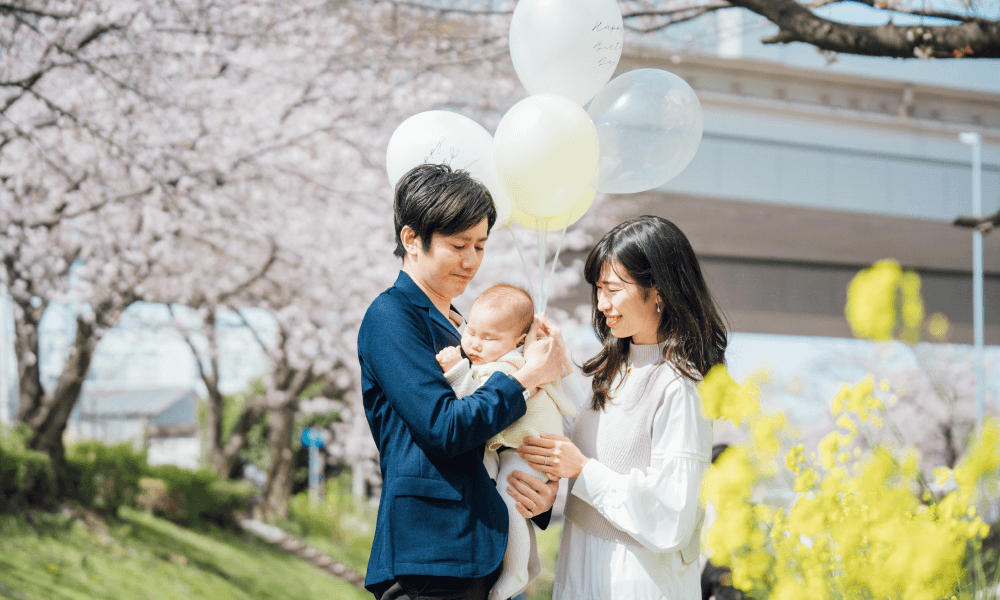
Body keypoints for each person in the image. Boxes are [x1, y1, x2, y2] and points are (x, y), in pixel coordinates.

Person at [357, 163, 569, 600]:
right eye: (458, 245)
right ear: (411, 239)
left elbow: (497, 429)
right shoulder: (391, 317)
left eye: (480, 246)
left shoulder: (463, 327)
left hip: (481, 549)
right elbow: (445, 426)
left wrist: (540, 493)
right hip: (430, 559)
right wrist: (527, 376)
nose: (471, 261)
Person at [518, 215, 729, 599]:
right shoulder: (615, 371)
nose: (601, 304)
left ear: (659, 290)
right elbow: (597, 442)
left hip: (637, 581)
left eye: (613, 289)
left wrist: (582, 470)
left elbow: (672, 514)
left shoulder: (680, 385)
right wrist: (556, 368)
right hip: (584, 570)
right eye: (598, 289)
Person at [435, 283, 577, 600]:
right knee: (512, 504)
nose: (475, 343)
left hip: (530, 450)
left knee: (510, 504)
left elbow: (474, 404)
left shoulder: (506, 367)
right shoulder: (511, 361)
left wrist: (456, 370)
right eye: (471, 331)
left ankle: (515, 572)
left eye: (489, 338)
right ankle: (528, 565)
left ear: (518, 341)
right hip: (522, 448)